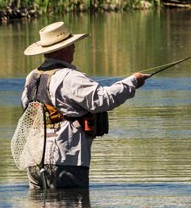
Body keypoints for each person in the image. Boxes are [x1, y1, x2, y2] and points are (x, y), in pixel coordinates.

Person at [19, 20, 149, 191]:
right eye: (71, 44)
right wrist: (132, 82)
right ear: (64, 49)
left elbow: (26, 107)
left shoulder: (32, 77)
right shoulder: (69, 77)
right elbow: (102, 99)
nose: (74, 48)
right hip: (65, 158)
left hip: (34, 159)